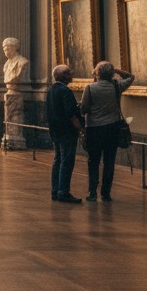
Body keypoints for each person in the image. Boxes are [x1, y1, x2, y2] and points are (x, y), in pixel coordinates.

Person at [80, 61, 135, 202]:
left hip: (94, 129)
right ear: (110, 74)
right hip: (112, 128)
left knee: (93, 161)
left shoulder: (90, 88)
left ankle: (92, 192)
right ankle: (106, 193)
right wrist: (115, 70)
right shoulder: (117, 86)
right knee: (109, 161)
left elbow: (84, 109)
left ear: (96, 73)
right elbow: (131, 77)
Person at [47, 64, 83, 203]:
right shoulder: (65, 91)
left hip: (55, 129)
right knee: (67, 161)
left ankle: (55, 190)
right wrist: (80, 129)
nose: (71, 73)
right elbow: (71, 114)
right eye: (68, 72)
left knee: (58, 160)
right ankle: (63, 192)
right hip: (66, 131)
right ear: (63, 76)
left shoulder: (51, 90)